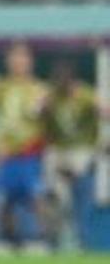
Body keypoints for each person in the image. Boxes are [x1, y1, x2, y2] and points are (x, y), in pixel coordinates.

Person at [0, 43, 48, 247]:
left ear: (30, 62)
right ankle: (13, 244)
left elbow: (46, 116)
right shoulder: (1, 87)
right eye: (14, 58)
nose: (18, 62)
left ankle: (51, 239)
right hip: (6, 154)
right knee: (3, 204)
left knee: (36, 198)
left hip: (29, 152)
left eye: (22, 58)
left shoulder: (38, 89)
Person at [40, 61, 100, 250]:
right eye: (58, 81)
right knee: (57, 198)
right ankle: (58, 238)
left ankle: (82, 239)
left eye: (64, 81)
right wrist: (43, 108)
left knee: (81, 198)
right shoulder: (52, 98)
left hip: (82, 150)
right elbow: (40, 119)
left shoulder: (85, 96)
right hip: (59, 151)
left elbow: (103, 111)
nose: (61, 85)